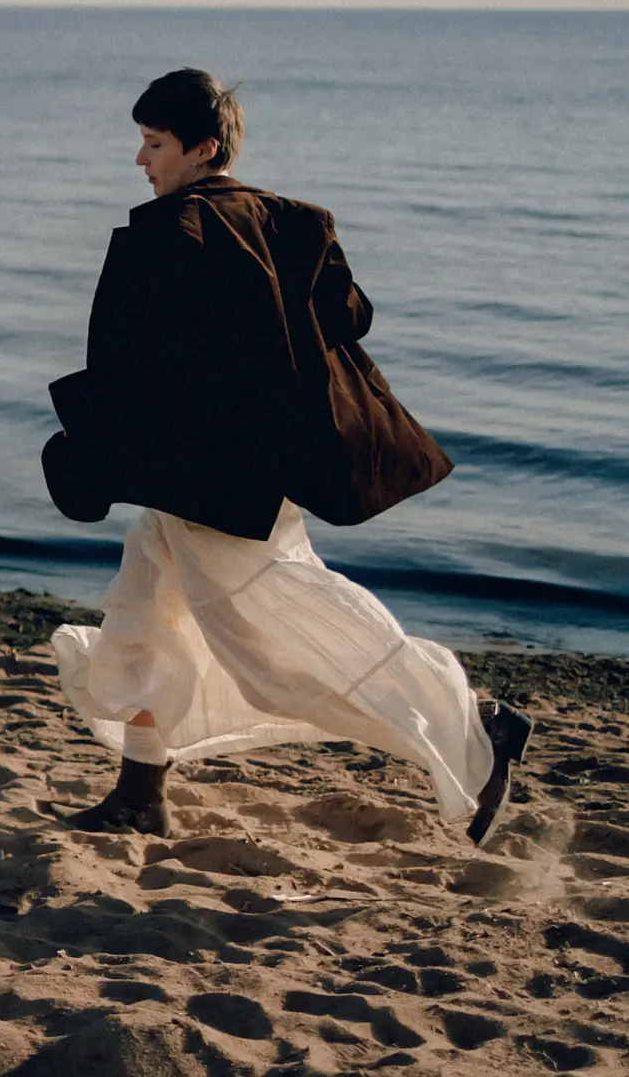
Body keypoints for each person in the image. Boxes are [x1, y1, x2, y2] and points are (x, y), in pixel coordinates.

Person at [43, 68, 530, 847]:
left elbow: (136, 370)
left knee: (272, 655)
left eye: (155, 143)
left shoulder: (172, 233)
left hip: (212, 483)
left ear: (203, 148)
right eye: (142, 142)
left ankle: (472, 724)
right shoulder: (294, 220)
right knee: (142, 622)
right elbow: (350, 317)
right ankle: (140, 793)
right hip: (239, 470)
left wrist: (87, 449)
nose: (142, 160)